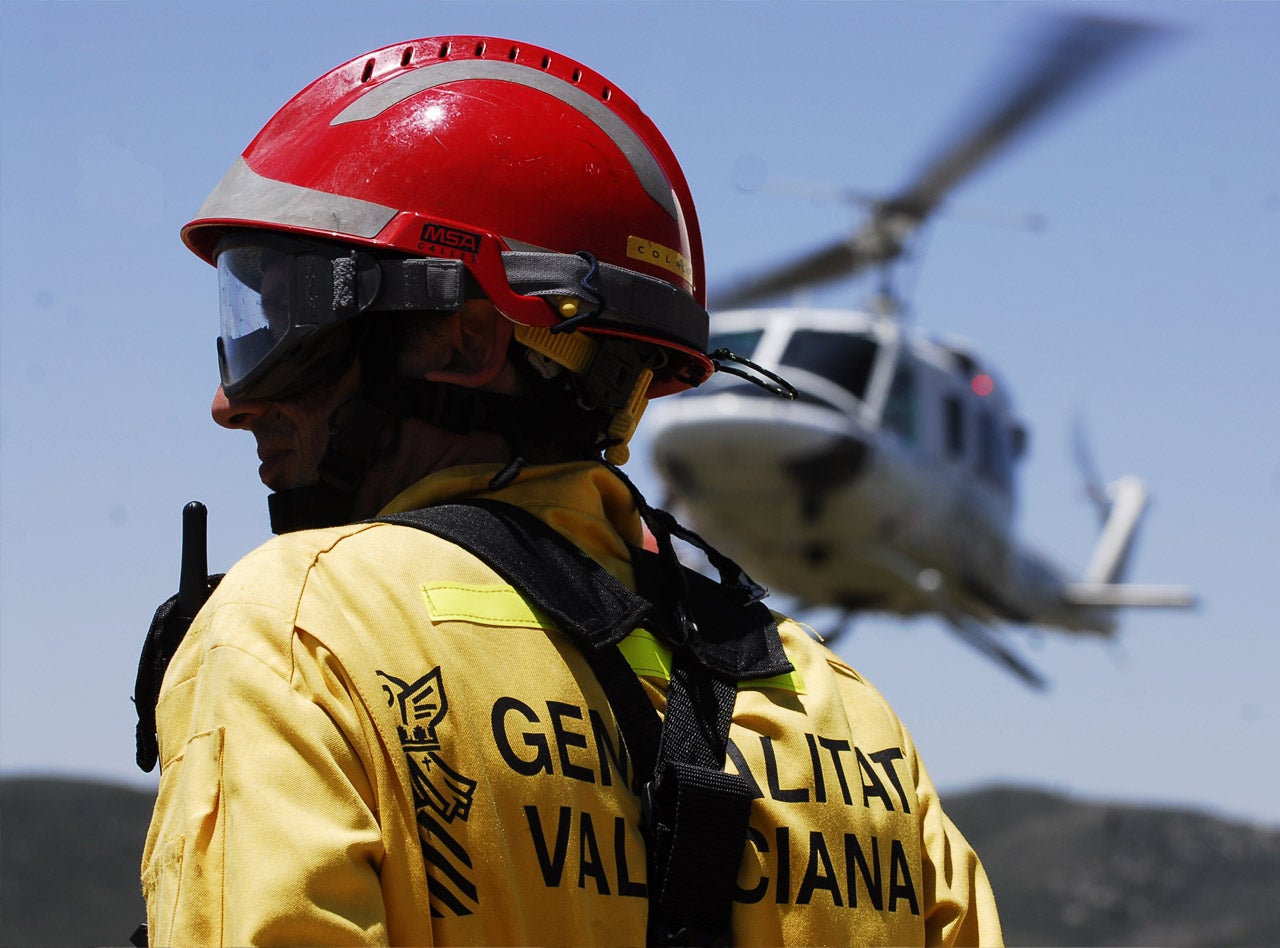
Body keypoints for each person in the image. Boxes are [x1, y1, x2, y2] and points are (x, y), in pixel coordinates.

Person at [138, 35, 1002, 947]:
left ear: (464, 340)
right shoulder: (845, 714)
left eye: (289, 321)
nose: (232, 403)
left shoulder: (301, 631)